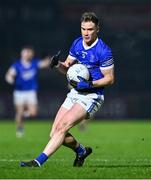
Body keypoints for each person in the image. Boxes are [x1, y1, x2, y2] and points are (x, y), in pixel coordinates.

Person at [20, 12, 114, 167]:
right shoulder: (77, 43)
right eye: (83, 29)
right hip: (76, 92)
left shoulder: (104, 51)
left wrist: (90, 84)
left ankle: (38, 162)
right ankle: (81, 151)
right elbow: (68, 70)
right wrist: (57, 64)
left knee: (62, 127)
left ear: (98, 29)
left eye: (90, 29)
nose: (86, 33)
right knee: (55, 133)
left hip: (92, 95)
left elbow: (110, 78)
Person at [5, 46, 50, 137]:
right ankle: (20, 128)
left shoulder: (34, 63)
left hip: (31, 92)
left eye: (29, 52)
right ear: (22, 53)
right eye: (26, 52)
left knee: (33, 113)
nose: (28, 54)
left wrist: (48, 59)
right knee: (19, 111)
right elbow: (9, 75)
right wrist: (10, 80)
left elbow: (45, 64)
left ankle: (22, 115)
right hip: (19, 92)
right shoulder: (17, 65)